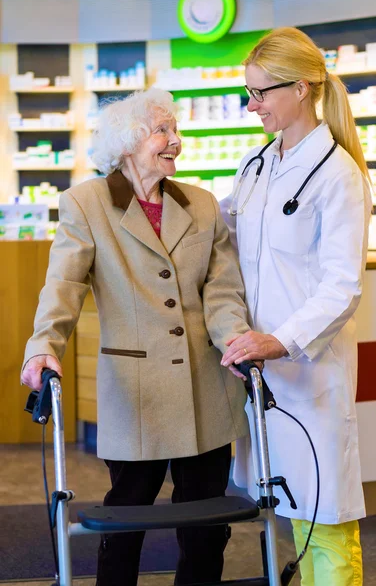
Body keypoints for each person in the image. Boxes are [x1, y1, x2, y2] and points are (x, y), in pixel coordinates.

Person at [21, 88, 253, 586]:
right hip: (136, 390)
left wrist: (236, 339)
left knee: (207, 526)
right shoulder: (87, 203)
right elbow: (63, 284)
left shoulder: (203, 205)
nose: (176, 141)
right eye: (163, 131)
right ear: (129, 143)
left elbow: (223, 289)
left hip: (206, 388)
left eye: (176, 130)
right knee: (124, 518)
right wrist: (44, 347)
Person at [220, 27, 372, 586]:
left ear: (303, 89)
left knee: (325, 519)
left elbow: (341, 287)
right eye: (249, 93)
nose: (252, 105)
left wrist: (278, 340)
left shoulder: (339, 175)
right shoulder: (256, 165)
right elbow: (225, 231)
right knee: (286, 513)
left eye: (262, 93)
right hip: (261, 372)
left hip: (309, 374)